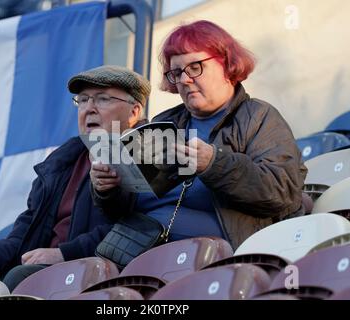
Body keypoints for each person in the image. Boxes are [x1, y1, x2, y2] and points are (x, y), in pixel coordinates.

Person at [91, 20, 307, 250]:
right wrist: (108, 190)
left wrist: (214, 163)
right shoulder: (165, 122)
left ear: (227, 65)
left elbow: (282, 194)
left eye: (195, 67)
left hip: (225, 251)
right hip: (143, 243)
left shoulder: (259, 117)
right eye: (176, 72)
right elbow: (124, 209)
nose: (184, 79)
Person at [0, 65, 150, 291]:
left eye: (102, 99)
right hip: (45, 274)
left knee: (19, 277)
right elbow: (22, 237)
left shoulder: (148, 157)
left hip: (96, 276)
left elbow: (132, 229)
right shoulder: (59, 165)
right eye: (82, 100)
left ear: (134, 112)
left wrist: (63, 254)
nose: (89, 109)